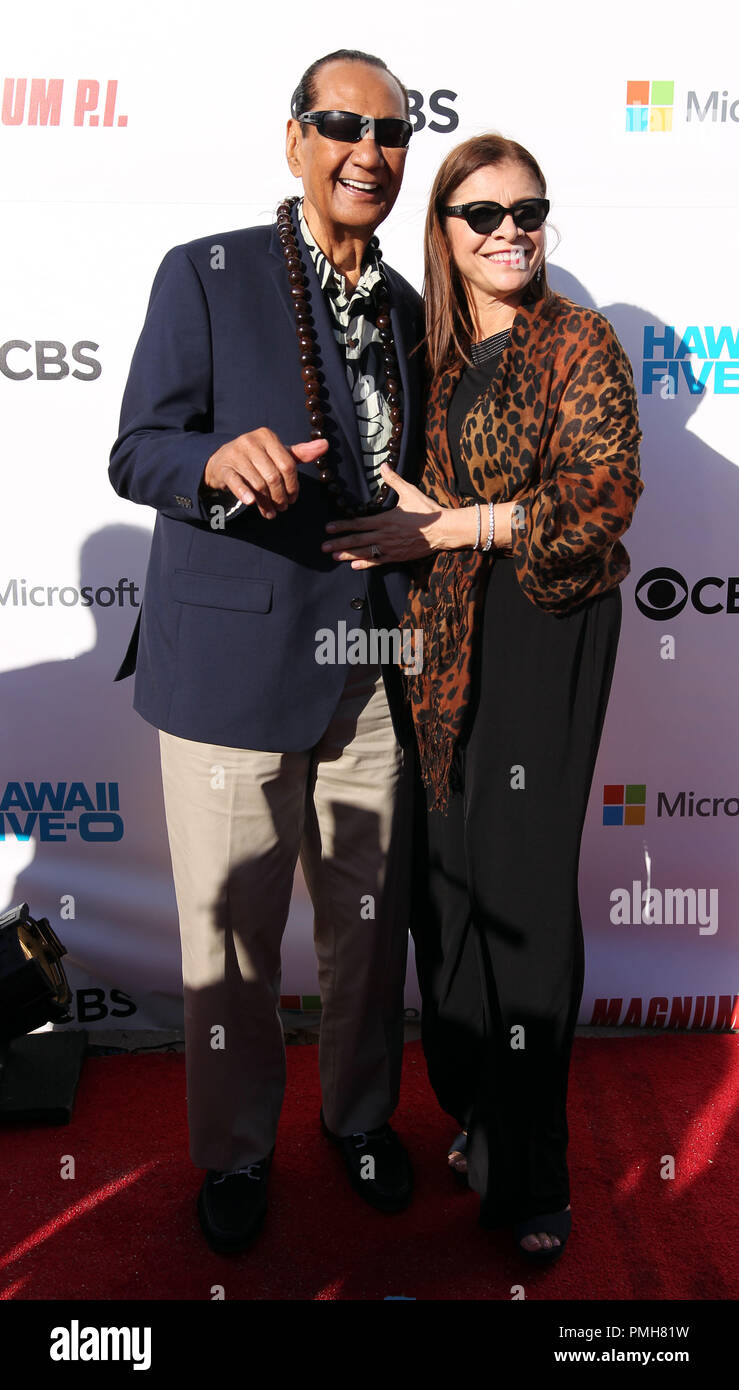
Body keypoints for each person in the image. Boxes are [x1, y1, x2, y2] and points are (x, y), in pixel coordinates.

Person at [108, 49, 426, 1254]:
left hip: (370, 665)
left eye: (391, 133)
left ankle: (356, 1119)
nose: (368, 151)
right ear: (293, 138)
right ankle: (235, 1153)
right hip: (233, 675)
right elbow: (137, 447)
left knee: (367, 928)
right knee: (232, 942)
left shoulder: (405, 308)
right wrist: (209, 465)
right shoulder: (206, 272)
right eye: (341, 124)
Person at [321, 133, 644, 1262]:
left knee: (519, 893)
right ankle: (475, 1109)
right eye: (483, 212)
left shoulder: (578, 342)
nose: (511, 227)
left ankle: (533, 1173)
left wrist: (458, 523)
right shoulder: (435, 352)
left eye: (529, 207)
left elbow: (600, 500)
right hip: (443, 640)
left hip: (545, 632)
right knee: (442, 885)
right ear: (446, 236)